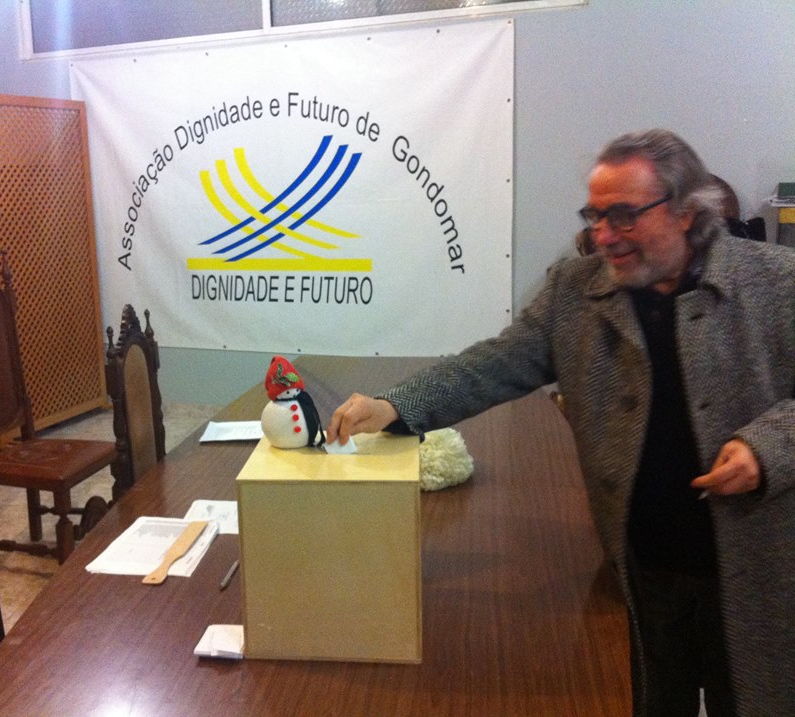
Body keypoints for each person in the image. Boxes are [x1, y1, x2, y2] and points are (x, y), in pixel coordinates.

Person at [327, 129, 795, 717]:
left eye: (623, 215)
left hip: (755, 573)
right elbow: (495, 363)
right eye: (595, 216)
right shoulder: (576, 292)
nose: (603, 236)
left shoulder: (777, 283)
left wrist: (767, 448)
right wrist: (395, 406)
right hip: (638, 574)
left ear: (684, 212)